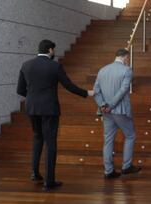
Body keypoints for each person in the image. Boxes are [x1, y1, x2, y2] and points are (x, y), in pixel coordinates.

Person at [16, 39, 94, 191]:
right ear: (50, 50)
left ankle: (35, 173)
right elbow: (69, 86)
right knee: (51, 142)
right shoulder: (54, 66)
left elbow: (20, 90)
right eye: (53, 50)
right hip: (49, 109)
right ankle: (49, 180)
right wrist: (87, 93)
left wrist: (33, 97)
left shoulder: (26, 65)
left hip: (31, 108)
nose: (54, 53)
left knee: (38, 138)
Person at [93, 49, 141, 179]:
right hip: (120, 111)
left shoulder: (102, 70)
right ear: (126, 57)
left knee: (108, 140)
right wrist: (111, 105)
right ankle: (126, 166)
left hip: (106, 112)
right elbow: (123, 90)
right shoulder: (127, 70)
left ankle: (108, 171)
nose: (128, 60)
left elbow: (96, 91)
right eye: (128, 58)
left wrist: (103, 105)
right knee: (130, 135)